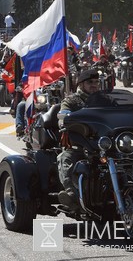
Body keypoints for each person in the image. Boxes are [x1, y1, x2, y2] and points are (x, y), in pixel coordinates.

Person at [57, 69, 100, 210]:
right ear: (81, 84)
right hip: (81, 144)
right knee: (66, 158)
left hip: (104, 144)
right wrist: (65, 119)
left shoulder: (105, 100)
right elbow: (63, 114)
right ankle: (71, 195)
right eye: (90, 82)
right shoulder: (72, 101)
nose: (94, 85)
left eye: (96, 82)